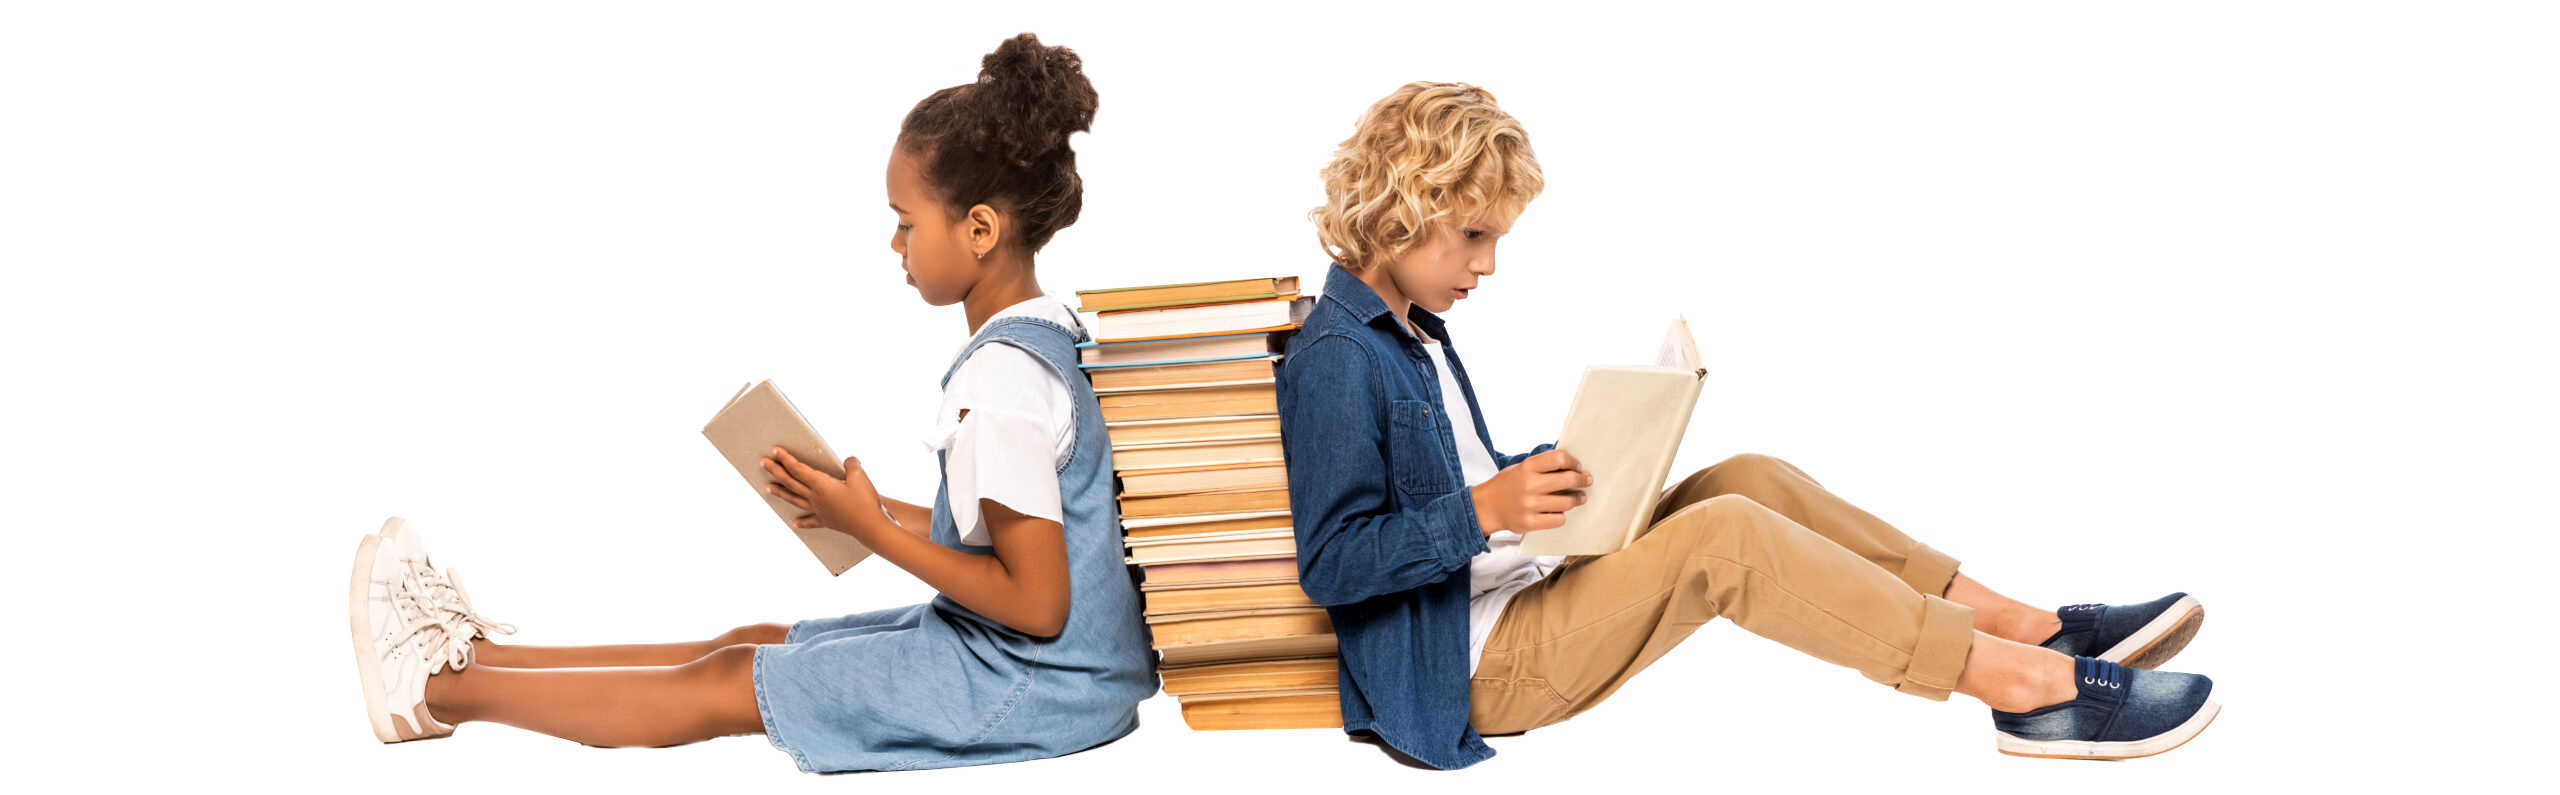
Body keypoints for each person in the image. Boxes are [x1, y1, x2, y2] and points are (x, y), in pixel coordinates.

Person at [1275, 80, 2221, 770]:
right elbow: (1336, 563)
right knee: (1728, 541)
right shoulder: (1337, 357)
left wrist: (1556, 470)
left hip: (1513, 586)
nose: (1488, 266)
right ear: (1402, 208)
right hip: (1472, 664)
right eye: (1474, 236)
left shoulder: (1411, 333)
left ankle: (2029, 625)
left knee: (1750, 479)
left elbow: (1456, 484)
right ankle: (2024, 692)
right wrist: (1487, 507)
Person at [345, 31, 1157, 773]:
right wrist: (854, 510)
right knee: (750, 643)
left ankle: (438, 695)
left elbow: (1039, 602)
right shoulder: (1050, 337)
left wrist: (874, 530)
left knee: (733, 681)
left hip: (1033, 680)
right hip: (1061, 672)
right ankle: (473, 660)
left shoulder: (1003, 380)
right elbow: (1010, 542)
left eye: (907, 223)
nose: (895, 246)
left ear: (979, 229)